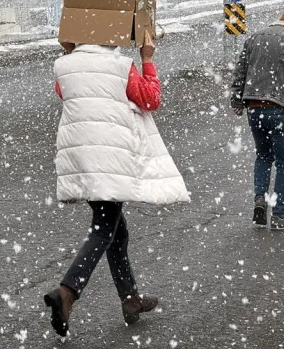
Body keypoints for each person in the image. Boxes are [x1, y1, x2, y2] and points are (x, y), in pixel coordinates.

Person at [44, 31, 190, 337]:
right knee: (104, 228)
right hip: (110, 156)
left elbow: (69, 93)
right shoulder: (122, 66)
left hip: (81, 156)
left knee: (116, 231)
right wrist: (147, 58)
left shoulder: (64, 66)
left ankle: (130, 299)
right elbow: (150, 99)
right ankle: (67, 292)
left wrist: (71, 52)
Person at [230, 9, 284, 231]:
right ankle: (278, 215)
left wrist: (237, 100)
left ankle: (260, 198)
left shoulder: (255, 38)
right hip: (282, 109)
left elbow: (240, 72)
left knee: (263, 156)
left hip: (254, 109)